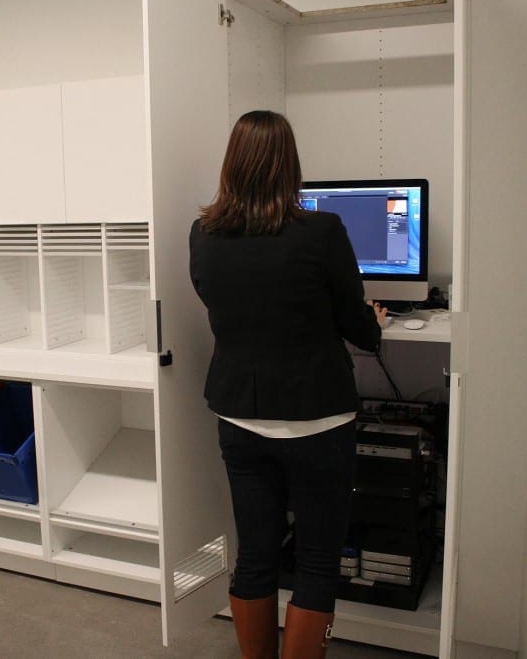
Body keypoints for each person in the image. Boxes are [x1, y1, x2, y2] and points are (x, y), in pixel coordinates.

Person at [189, 110, 386, 658]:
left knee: (256, 554)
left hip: (240, 417)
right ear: (289, 166)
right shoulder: (321, 231)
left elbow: (224, 306)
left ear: (232, 165)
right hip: (318, 420)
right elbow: (358, 328)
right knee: (318, 561)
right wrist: (378, 321)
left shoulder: (202, 235)